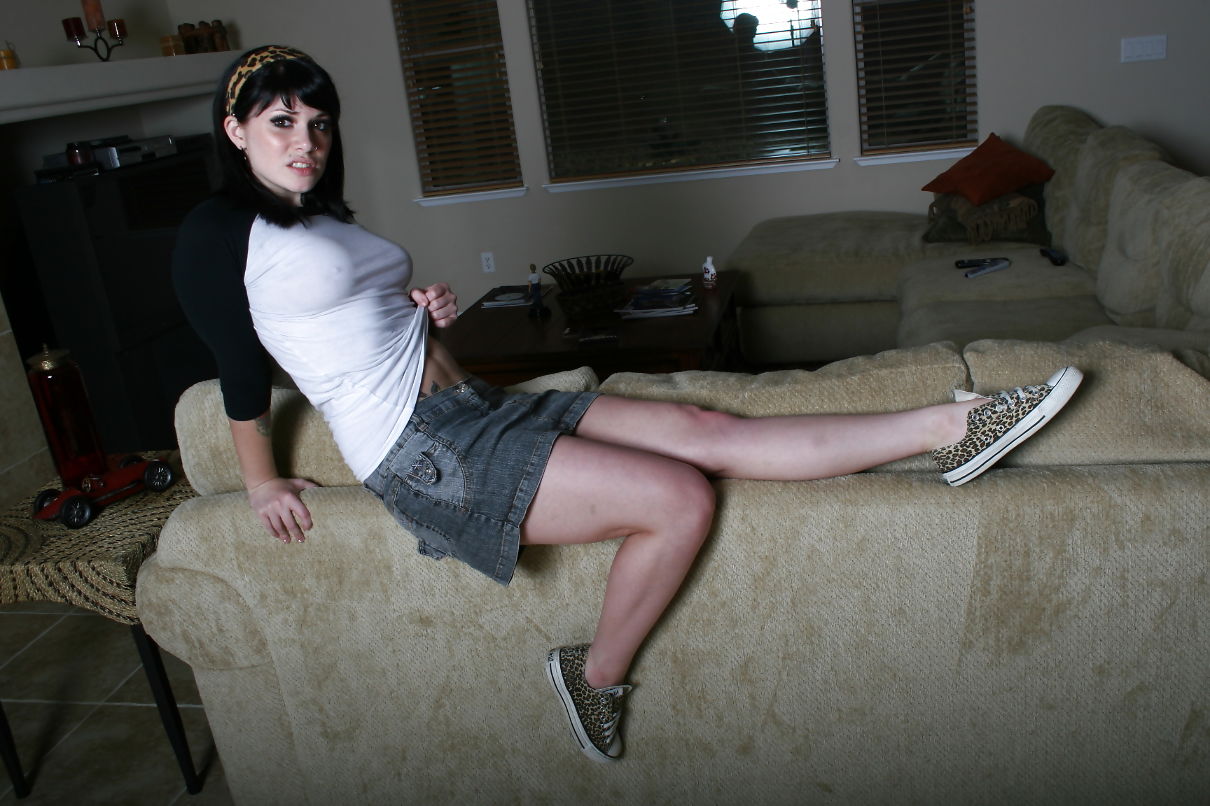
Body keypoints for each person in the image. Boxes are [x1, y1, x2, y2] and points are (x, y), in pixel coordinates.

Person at [173, 46, 1084, 765]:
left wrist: (417, 309)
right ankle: (594, 675)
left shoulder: (316, 215)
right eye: (282, 121)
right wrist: (258, 483)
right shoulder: (216, 231)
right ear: (235, 128)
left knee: (708, 429)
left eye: (319, 123)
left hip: (472, 403)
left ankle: (952, 428)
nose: (306, 140)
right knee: (679, 498)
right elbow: (239, 367)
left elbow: (336, 318)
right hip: (421, 453)